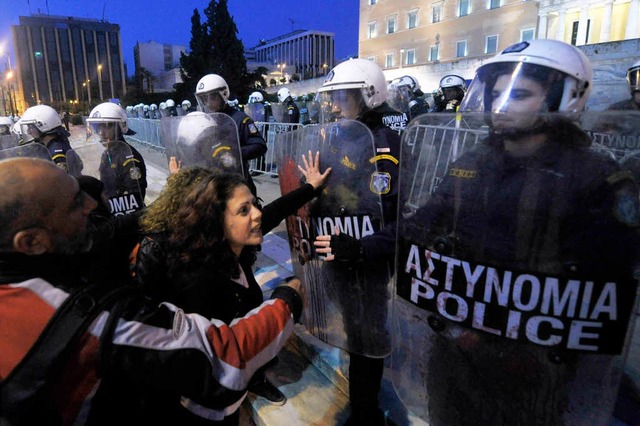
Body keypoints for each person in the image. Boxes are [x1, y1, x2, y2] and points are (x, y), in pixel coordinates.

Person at [316, 39, 640, 425]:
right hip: (458, 344)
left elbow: (609, 283)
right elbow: (423, 223)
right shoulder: (474, 162)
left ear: (565, 98)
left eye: (519, 94)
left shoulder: (595, 177)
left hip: (535, 355)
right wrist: (364, 248)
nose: (498, 106)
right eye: (495, 93)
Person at [0, 157, 304, 424]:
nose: (92, 205)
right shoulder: (91, 319)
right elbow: (221, 360)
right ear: (31, 242)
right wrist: (287, 300)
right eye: (75, 203)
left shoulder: (37, 271)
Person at [134, 151, 330, 421]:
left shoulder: (230, 249)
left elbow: (275, 211)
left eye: (253, 204)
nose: (258, 214)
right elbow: (213, 361)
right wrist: (287, 301)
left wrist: (310, 188)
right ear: (210, 216)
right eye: (243, 209)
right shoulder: (195, 280)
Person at [313, 57, 404, 426]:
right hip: (340, 253)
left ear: (368, 95)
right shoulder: (342, 138)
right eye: (332, 98)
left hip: (368, 260)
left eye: (343, 97)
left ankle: (366, 413)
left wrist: (364, 247)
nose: (334, 106)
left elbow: (395, 217)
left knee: (368, 335)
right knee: (353, 329)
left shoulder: (385, 145)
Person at [195, 74, 267, 196]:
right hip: (213, 185)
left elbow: (259, 145)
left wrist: (235, 153)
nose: (207, 103)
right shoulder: (204, 122)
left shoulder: (239, 119)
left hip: (238, 183)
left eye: (211, 97)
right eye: (204, 99)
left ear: (222, 95)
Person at [86, 102, 148, 204]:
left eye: (107, 126)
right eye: (98, 127)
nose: (101, 132)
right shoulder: (107, 154)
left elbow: (135, 199)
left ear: (120, 127)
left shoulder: (129, 159)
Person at [19, 104, 83, 176]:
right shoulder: (53, 143)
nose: (28, 131)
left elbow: (60, 179)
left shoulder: (56, 151)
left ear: (43, 125)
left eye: (31, 127)